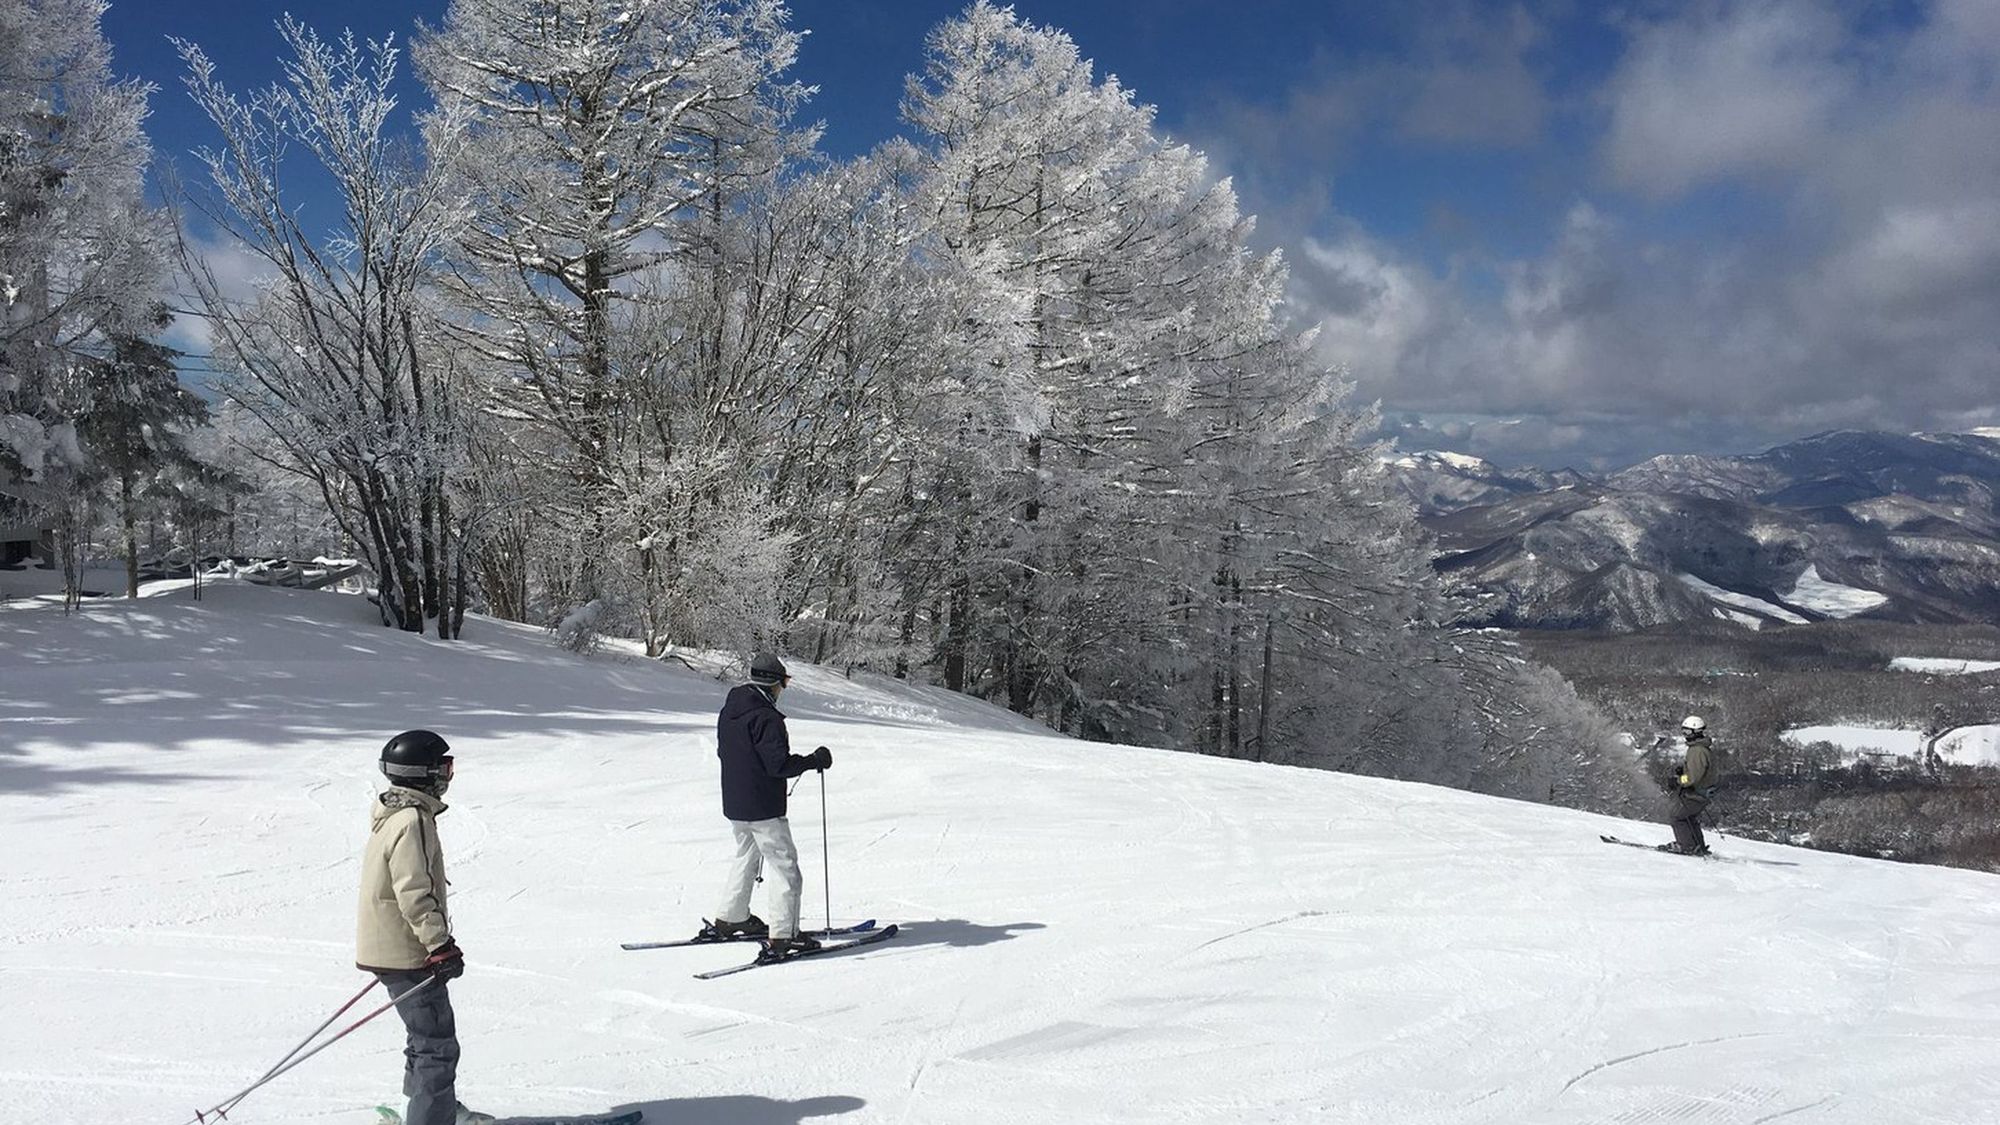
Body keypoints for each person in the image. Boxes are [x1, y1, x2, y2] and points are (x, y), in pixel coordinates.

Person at [357, 730, 492, 1125]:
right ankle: (430, 1118)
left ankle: (418, 1109)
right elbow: (413, 891)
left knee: (423, 1040)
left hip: (391, 948)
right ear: (425, 773)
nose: (449, 775)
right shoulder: (412, 820)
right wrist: (439, 944)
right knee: (437, 1046)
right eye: (445, 766)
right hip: (408, 950)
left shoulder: (395, 815)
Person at [702, 653, 832, 957]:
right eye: (784, 682)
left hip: (736, 802)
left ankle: (730, 918)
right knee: (785, 867)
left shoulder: (730, 710)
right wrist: (814, 761)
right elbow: (779, 765)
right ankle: (784, 936)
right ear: (774, 683)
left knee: (746, 857)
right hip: (763, 807)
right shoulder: (767, 718)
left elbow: (728, 754)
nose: (783, 689)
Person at [1661, 716, 1719, 856]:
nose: (1684, 735)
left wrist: (1679, 780)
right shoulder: (1701, 748)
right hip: (1702, 792)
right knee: (1688, 817)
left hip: (1696, 793)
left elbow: (1693, 777)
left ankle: (1686, 846)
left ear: (1696, 732)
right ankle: (1697, 845)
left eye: (1687, 732)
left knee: (1677, 816)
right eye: (1683, 731)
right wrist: (1684, 771)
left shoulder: (1697, 750)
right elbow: (1698, 770)